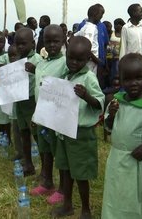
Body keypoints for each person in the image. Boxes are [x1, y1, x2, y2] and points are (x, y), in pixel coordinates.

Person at [101, 53, 142, 219]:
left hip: (138, 159)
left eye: (139, 78)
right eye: (127, 79)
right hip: (117, 158)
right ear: (120, 80)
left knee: (140, 192)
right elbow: (108, 128)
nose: (133, 83)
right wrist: (112, 115)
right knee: (117, 190)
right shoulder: (116, 101)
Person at [51, 36, 104, 219]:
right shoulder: (66, 75)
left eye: (79, 59)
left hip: (81, 134)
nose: (74, 62)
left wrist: (86, 96)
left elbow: (99, 103)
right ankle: (67, 205)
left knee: (81, 173)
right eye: (71, 58)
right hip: (64, 131)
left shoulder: (89, 78)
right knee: (65, 170)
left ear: (88, 59)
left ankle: (86, 209)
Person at [30, 24, 66, 205]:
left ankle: (62, 189)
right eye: (47, 41)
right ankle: (47, 181)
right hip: (42, 114)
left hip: (57, 117)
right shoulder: (41, 63)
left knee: (58, 152)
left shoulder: (66, 63)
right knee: (44, 149)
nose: (51, 44)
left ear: (63, 40)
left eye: (55, 41)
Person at [12, 28, 43, 177]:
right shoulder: (16, 60)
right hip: (19, 100)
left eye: (23, 44)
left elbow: (45, 79)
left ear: (33, 43)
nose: (20, 47)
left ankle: (44, 167)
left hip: (32, 101)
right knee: (23, 132)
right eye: (17, 44)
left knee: (36, 134)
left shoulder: (37, 59)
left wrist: (35, 70)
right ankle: (28, 164)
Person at [75, 4, 103, 73]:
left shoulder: (84, 27)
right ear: (95, 14)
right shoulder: (91, 28)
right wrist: (96, 60)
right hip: (90, 62)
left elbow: (71, 38)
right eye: (101, 14)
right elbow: (86, 47)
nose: (101, 17)